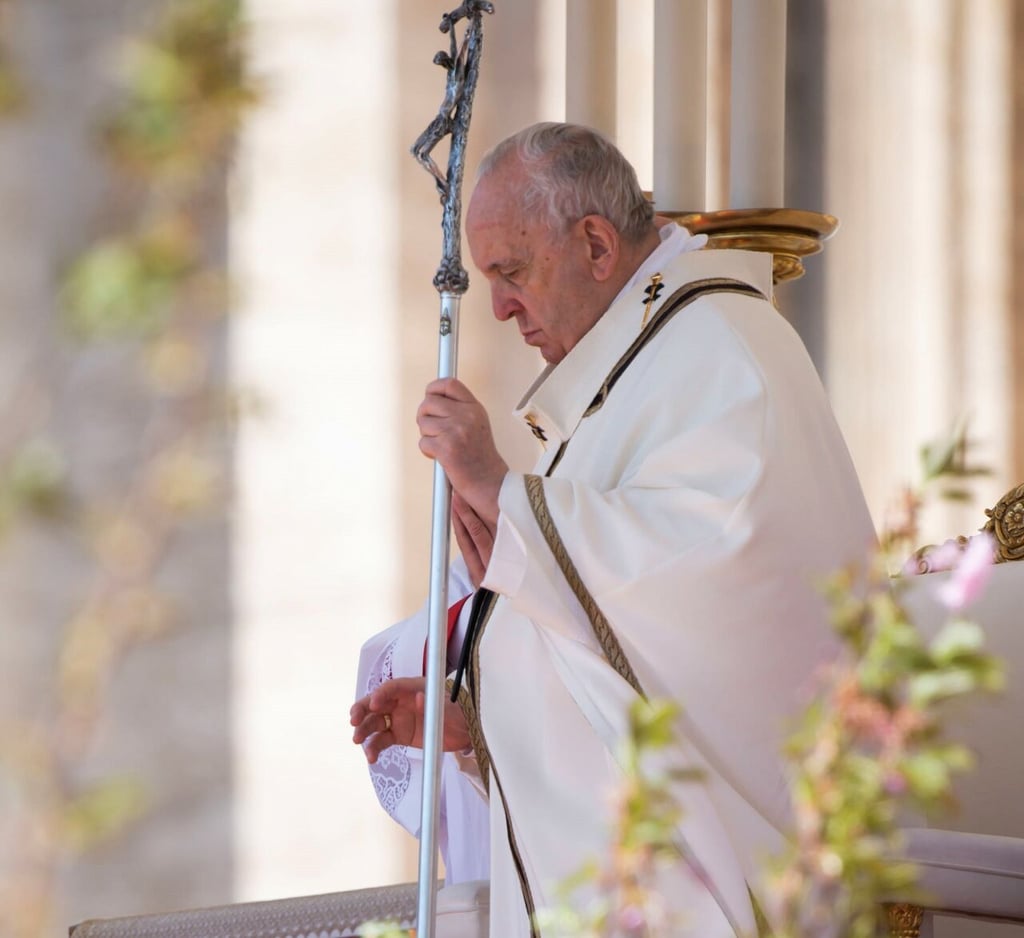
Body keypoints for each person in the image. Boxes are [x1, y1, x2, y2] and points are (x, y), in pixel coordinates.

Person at [351, 122, 876, 937]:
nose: (500, 307)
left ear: (596, 243)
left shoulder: (720, 349)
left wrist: (503, 494)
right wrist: (478, 714)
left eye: (513, 271)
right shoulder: (646, 364)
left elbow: (710, 593)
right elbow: (629, 644)